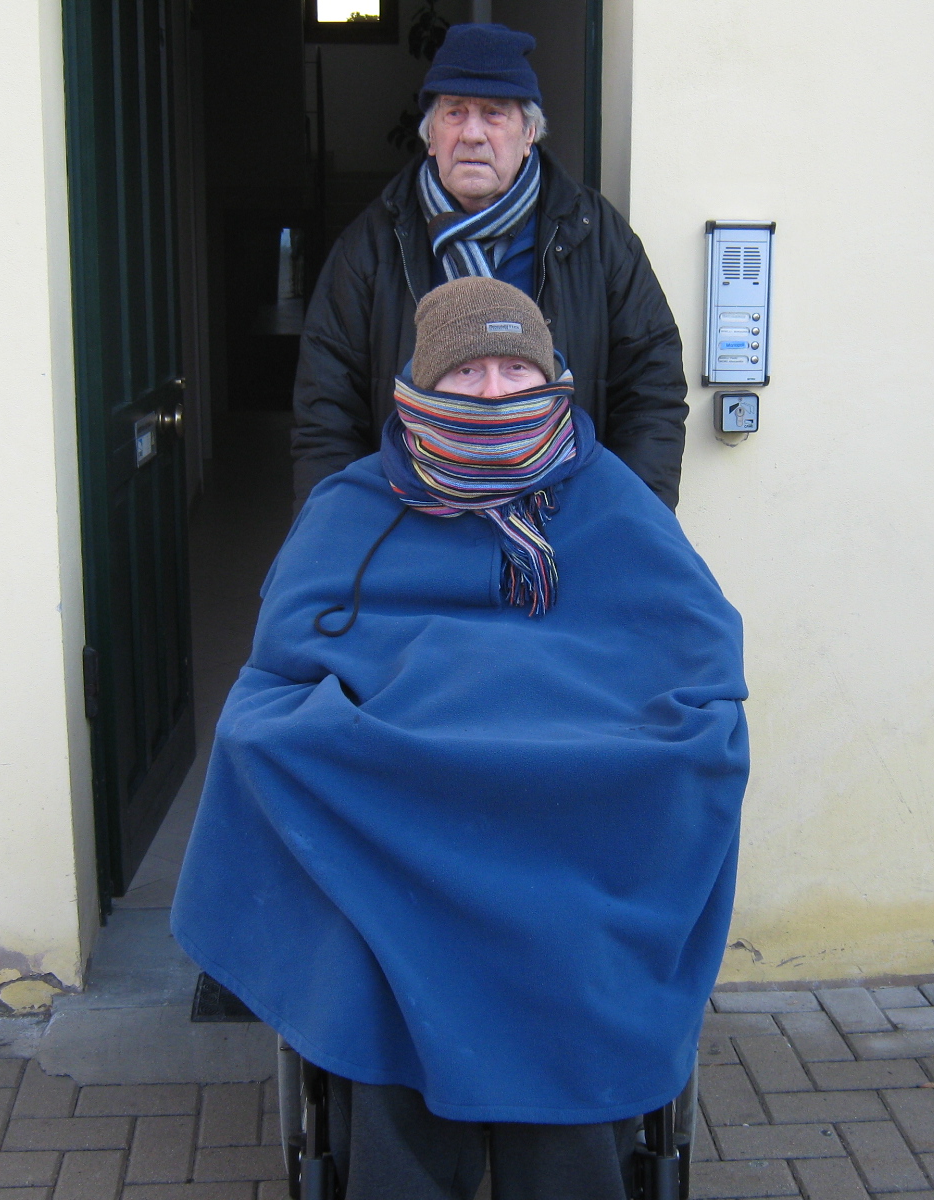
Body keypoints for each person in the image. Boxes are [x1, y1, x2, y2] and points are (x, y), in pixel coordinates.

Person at [173, 277, 748, 1199]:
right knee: (370, 960)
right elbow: (276, 680)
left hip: (571, 831)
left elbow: (701, 663)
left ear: (551, 377)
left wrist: (645, 757)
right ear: (420, 384)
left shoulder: (612, 501)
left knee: (580, 955)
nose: (492, 391)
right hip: (398, 831)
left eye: (515, 370)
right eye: (467, 371)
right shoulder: (353, 509)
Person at [291, 22, 689, 511]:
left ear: (529, 134)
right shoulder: (371, 245)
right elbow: (325, 411)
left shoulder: (595, 236)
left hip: (562, 520)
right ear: (431, 136)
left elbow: (652, 392)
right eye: (454, 112)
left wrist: (627, 523)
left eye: (494, 114)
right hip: (417, 523)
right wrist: (347, 533)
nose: (472, 134)